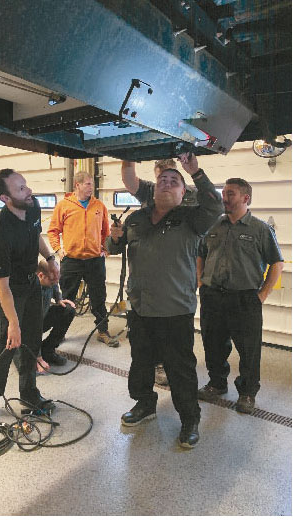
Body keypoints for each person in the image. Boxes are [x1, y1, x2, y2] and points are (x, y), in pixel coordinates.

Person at [107, 153, 223, 448]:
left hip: (175, 311)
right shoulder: (136, 218)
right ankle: (144, 404)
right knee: (141, 363)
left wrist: (194, 171)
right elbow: (113, 247)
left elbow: (215, 204)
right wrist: (114, 238)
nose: (167, 183)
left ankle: (189, 419)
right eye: (162, 180)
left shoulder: (192, 220)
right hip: (141, 309)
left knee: (179, 369)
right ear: (154, 187)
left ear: (184, 193)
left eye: (174, 181)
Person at [197, 177, 284, 414]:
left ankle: (247, 393)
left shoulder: (260, 229)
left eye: (230, 194)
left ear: (246, 198)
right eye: (224, 193)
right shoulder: (213, 226)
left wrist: (262, 295)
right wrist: (200, 283)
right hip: (213, 296)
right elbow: (200, 253)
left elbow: (277, 263)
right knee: (212, 344)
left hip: (245, 300)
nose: (224, 197)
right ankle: (216, 383)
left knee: (248, 350)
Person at [0, 168, 59, 423]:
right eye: (20, 189)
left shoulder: (32, 206)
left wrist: (49, 259)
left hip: (31, 285)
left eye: (26, 185)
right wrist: (13, 324)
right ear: (5, 198)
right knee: (8, 343)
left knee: (31, 342)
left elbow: (36, 235)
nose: (29, 191)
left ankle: (29, 396)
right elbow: (2, 286)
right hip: (9, 290)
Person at [48, 171, 116, 347]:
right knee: (67, 300)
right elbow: (53, 230)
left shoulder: (99, 206)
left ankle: (102, 331)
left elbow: (105, 232)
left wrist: (105, 249)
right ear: (77, 185)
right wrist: (58, 249)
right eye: (87, 184)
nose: (91, 187)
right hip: (71, 260)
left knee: (99, 298)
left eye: (92, 184)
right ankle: (59, 333)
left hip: (94, 261)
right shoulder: (64, 206)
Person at [13, 260, 76, 370]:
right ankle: (20, 354)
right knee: (26, 368)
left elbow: (55, 285)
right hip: (24, 328)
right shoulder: (29, 290)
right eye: (52, 281)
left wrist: (59, 299)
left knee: (68, 310)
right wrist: (38, 357)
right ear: (41, 276)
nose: (55, 282)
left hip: (40, 318)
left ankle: (48, 350)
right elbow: (33, 327)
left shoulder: (50, 279)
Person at [121, 158, 198, 209]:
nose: (167, 185)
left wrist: (196, 172)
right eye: (162, 179)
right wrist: (130, 154)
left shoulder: (195, 194)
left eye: (171, 179)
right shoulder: (149, 191)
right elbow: (129, 180)